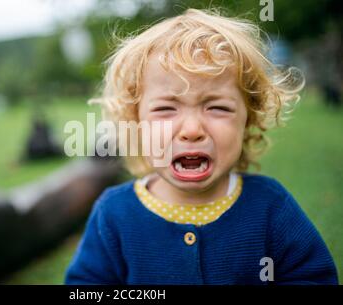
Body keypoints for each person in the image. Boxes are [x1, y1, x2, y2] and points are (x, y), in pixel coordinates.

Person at [65, 8, 338, 284]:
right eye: (166, 109)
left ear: (248, 119)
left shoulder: (270, 207)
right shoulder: (114, 214)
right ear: (136, 123)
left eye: (217, 108)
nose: (192, 130)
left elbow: (314, 277)